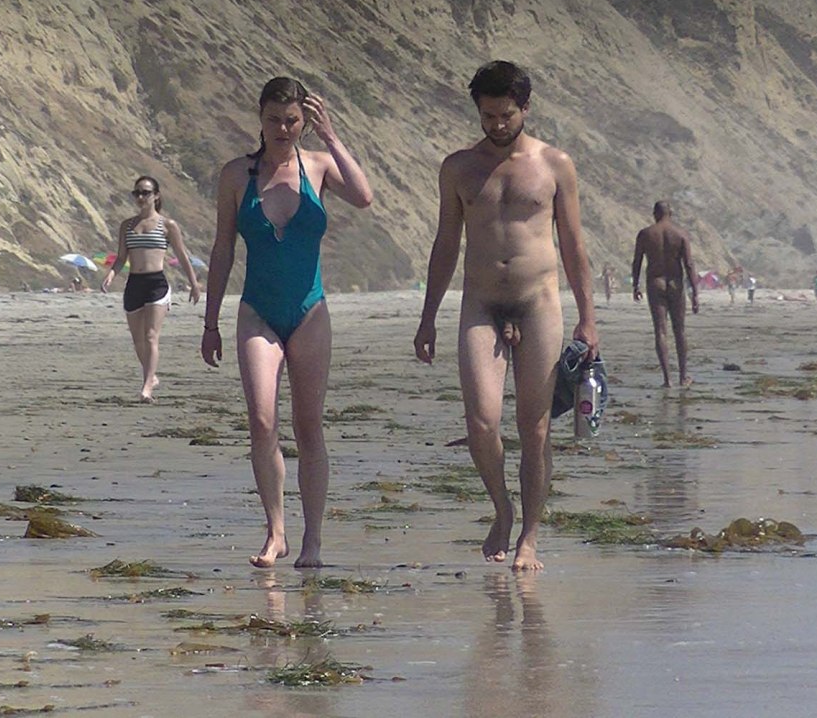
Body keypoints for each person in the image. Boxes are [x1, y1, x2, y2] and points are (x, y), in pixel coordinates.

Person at [414, 60, 599, 572]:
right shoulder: (458, 168)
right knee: (481, 421)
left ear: (525, 108)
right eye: (488, 115)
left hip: (538, 304)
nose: (497, 124)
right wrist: (428, 317)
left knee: (534, 429)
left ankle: (529, 539)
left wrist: (588, 318)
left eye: (506, 115)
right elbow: (445, 244)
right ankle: (502, 508)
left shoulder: (555, 164)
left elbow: (574, 245)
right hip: (481, 303)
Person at [201, 77, 372, 569]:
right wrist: (210, 322)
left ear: (305, 122)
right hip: (258, 311)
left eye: (292, 120)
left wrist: (331, 136)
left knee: (308, 424)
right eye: (274, 119)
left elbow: (364, 197)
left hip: (310, 311)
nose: (282, 128)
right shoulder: (237, 175)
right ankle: (276, 532)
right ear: (260, 118)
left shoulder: (318, 166)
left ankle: (312, 539)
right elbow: (222, 249)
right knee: (262, 420)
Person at [101, 176, 202, 402]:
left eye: (145, 192)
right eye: (136, 193)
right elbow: (121, 257)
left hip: (156, 283)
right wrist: (111, 274)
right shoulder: (127, 225)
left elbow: (182, 256)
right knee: (138, 339)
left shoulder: (168, 225)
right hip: (134, 284)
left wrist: (194, 283)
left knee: (150, 336)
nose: (140, 197)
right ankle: (151, 375)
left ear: (156, 196)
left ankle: (147, 386)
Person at [631, 200, 699, 388]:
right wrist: (695, 293)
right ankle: (683, 377)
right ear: (671, 213)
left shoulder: (645, 234)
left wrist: (635, 285)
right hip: (676, 284)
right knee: (680, 330)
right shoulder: (681, 234)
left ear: (655, 214)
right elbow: (689, 264)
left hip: (655, 283)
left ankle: (667, 379)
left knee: (660, 330)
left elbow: (637, 261)